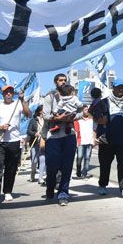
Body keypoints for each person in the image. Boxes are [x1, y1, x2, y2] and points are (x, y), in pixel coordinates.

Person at [42, 73, 80, 206]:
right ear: (55, 82)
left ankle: (63, 193)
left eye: (65, 80)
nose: (63, 82)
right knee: (52, 166)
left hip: (69, 135)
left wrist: (72, 117)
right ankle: (50, 187)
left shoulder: (73, 97)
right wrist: (58, 118)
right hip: (53, 136)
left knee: (67, 166)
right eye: (60, 80)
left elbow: (82, 112)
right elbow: (46, 115)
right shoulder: (50, 97)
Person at [0, 84, 31, 205]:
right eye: (6, 92)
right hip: (0, 142)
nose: (9, 94)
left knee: (11, 168)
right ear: (2, 94)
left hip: (14, 142)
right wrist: (0, 127)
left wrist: (23, 100)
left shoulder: (18, 104)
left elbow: (28, 114)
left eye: (11, 92)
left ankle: (7, 191)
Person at [96, 79, 123, 198]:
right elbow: (98, 119)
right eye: (118, 87)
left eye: (122, 87)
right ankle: (102, 185)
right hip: (106, 139)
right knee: (105, 164)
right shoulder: (104, 102)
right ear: (113, 88)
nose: (121, 90)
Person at [26, 105, 46, 183]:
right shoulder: (33, 120)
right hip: (34, 143)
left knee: (42, 160)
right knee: (34, 161)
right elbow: (28, 131)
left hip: (43, 143)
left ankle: (40, 178)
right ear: (40, 111)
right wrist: (35, 134)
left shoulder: (46, 120)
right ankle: (32, 175)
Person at [74, 112, 95, 179]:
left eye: (88, 110)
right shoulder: (78, 121)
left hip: (89, 141)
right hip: (81, 141)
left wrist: (94, 140)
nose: (87, 111)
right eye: (85, 110)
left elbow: (94, 130)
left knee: (87, 158)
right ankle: (78, 171)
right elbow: (76, 130)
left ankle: (84, 173)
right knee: (79, 157)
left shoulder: (92, 120)